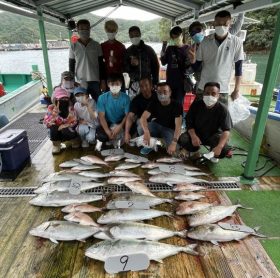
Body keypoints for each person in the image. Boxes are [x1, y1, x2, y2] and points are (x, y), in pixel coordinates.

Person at [189, 10, 244, 105]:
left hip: (222, 89)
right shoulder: (205, 41)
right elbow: (196, 67)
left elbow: (239, 68)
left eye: (225, 24)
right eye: (218, 23)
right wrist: (193, 61)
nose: (221, 26)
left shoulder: (236, 42)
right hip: (203, 88)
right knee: (197, 116)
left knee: (221, 117)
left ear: (230, 23)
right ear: (214, 23)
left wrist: (236, 90)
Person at [178, 82, 232, 161]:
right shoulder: (196, 105)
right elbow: (189, 122)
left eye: (213, 93)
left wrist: (219, 146)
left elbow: (227, 130)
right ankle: (194, 150)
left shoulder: (223, 109)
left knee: (224, 149)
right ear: (203, 94)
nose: (209, 96)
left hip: (214, 136)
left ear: (218, 95)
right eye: (207, 93)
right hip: (197, 134)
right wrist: (193, 136)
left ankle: (213, 154)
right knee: (183, 139)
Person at [140, 82, 182, 155]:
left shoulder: (177, 105)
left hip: (169, 129)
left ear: (170, 92)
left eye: (165, 92)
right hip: (156, 125)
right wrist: (146, 132)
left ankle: (172, 145)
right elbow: (143, 118)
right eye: (159, 92)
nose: (162, 94)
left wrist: (174, 143)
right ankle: (149, 145)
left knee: (174, 151)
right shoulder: (154, 102)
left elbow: (178, 127)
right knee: (140, 127)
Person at [69, 19, 106, 102]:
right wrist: (72, 81)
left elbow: (101, 64)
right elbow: (71, 65)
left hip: (95, 80)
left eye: (86, 28)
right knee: (81, 104)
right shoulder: (73, 46)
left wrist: (103, 81)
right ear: (77, 30)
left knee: (99, 103)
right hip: (80, 81)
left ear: (89, 30)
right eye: (81, 29)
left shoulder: (96, 45)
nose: (84, 31)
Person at [96, 73, 130, 150]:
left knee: (129, 128)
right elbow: (101, 117)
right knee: (102, 135)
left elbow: (127, 115)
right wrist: (107, 131)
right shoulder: (102, 98)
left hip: (121, 121)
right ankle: (107, 140)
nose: (114, 86)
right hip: (108, 122)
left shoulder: (126, 98)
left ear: (121, 84)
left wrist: (120, 126)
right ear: (108, 84)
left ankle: (121, 138)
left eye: (117, 84)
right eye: (112, 84)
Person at [124, 26, 159, 99]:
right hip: (134, 84)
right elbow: (125, 68)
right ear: (129, 36)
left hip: (147, 82)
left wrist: (155, 82)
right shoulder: (128, 51)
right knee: (134, 104)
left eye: (136, 35)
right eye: (132, 36)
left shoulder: (149, 50)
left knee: (148, 104)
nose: (134, 37)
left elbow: (155, 66)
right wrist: (132, 66)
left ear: (140, 34)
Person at [160, 26, 192, 104]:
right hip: (170, 81)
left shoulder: (188, 49)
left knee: (179, 103)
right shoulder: (170, 48)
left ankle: (179, 116)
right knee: (169, 102)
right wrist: (164, 46)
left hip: (181, 82)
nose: (176, 39)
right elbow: (163, 62)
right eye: (173, 38)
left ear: (181, 36)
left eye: (177, 37)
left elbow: (190, 67)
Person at [43, 88, 78, 154]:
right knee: (53, 127)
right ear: (56, 100)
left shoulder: (70, 108)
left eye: (66, 98)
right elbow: (46, 123)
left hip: (68, 131)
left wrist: (64, 125)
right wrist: (55, 113)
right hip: (57, 132)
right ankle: (56, 145)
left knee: (66, 129)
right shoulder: (51, 107)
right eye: (61, 99)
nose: (64, 100)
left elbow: (74, 122)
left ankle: (74, 140)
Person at [124, 77, 157, 144]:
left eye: (146, 85)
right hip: (141, 122)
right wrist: (126, 133)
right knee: (140, 126)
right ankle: (145, 143)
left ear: (151, 86)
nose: (144, 88)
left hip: (156, 121)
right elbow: (130, 116)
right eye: (142, 86)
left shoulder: (158, 97)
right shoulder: (136, 100)